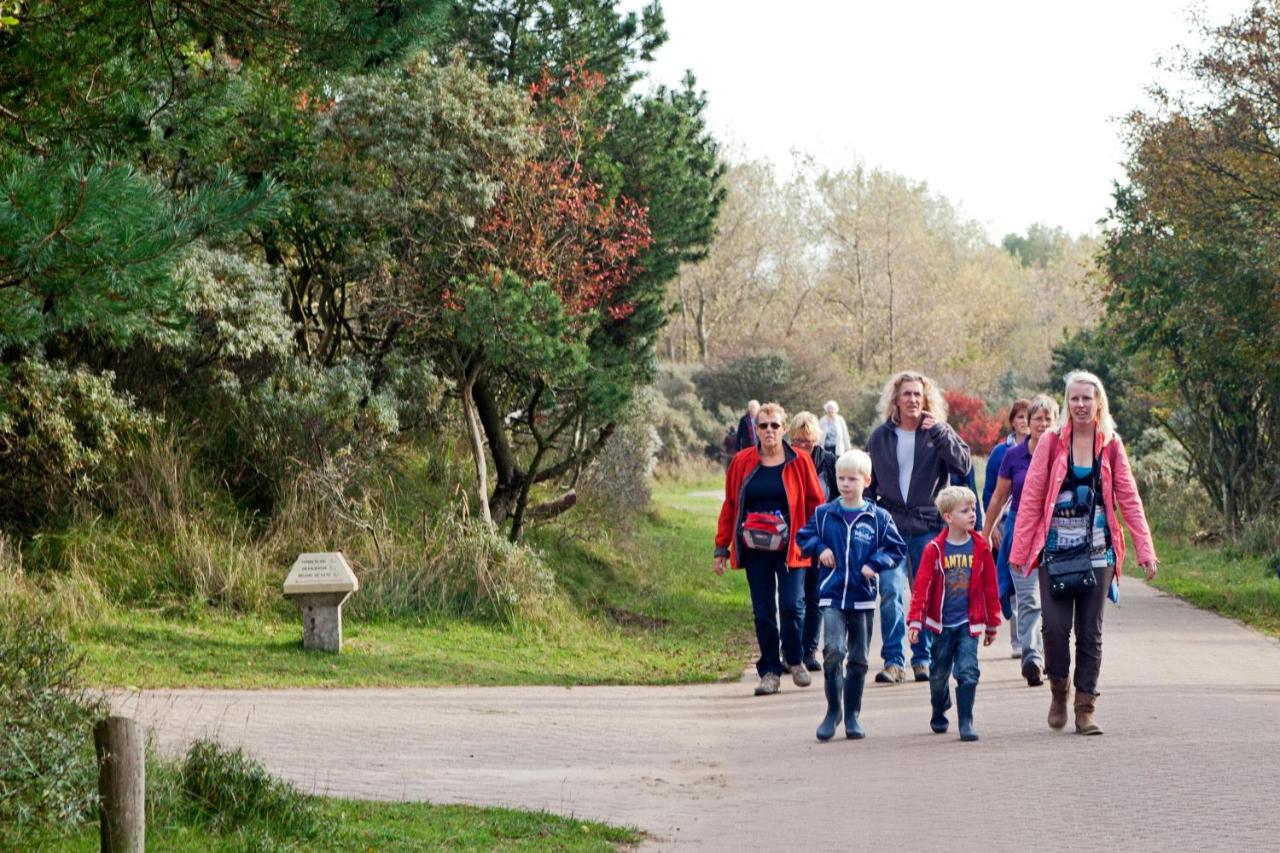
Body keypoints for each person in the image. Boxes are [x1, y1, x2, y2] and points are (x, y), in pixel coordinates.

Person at [1009, 371, 1158, 735]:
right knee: (1055, 629)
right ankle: (1059, 690)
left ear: (1098, 402)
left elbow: (1129, 499)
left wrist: (1145, 548)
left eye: (1086, 399)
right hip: (1056, 550)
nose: (1079, 405)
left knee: (1090, 633)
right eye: (1073, 398)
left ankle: (1085, 707)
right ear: (1067, 403)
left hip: (1097, 551)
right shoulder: (1050, 443)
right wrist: (1021, 550)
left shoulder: (1110, 445)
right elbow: (1030, 499)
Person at [866, 371, 971, 684]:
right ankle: (893, 661)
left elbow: (962, 465)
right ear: (895, 400)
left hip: (928, 526)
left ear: (926, 400)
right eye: (906, 394)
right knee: (889, 592)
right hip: (891, 527)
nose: (912, 400)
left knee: (925, 595)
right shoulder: (880, 436)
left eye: (917, 394)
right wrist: (871, 521)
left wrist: (939, 432)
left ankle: (922, 659)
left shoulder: (937, 432)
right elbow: (868, 483)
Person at [715, 402, 825, 696]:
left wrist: (820, 541)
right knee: (763, 611)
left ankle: (794, 657)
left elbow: (816, 505)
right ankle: (769, 672)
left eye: (774, 425)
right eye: (763, 426)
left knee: (792, 606)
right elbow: (730, 506)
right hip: (755, 549)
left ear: (784, 428)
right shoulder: (742, 462)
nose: (769, 431)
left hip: (792, 547)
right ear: (756, 429)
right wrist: (721, 548)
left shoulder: (800, 461)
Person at [798, 449, 906, 740]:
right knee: (833, 652)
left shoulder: (878, 518)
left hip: (862, 597)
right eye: (841, 478)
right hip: (832, 594)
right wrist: (820, 549)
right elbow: (804, 536)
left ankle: (852, 715)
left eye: (852, 479)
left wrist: (875, 564)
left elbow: (896, 548)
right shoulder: (823, 514)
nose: (845, 484)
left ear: (866, 481)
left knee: (858, 658)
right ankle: (833, 711)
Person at [906, 485, 1000, 742]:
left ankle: (966, 721)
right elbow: (921, 587)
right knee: (938, 675)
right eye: (965, 510)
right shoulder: (933, 549)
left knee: (968, 671)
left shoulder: (981, 547)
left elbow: (991, 587)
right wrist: (915, 620)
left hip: (969, 623)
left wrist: (992, 623)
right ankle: (940, 705)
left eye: (973, 509)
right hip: (941, 625)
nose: (972, 515)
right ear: (948, 517)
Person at [983, 395, 1057, 686]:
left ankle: (1052, 656)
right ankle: (1031, 656)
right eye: (1036, 418)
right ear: (1027, 422)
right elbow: (999, 497)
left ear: (1055, 422)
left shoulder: (1063, 453)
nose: (1041, 423)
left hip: (1055, 534)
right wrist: (987, 532)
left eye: (1047, 419)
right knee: (1028, 598)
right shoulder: (1012, 456)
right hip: (1021, 531)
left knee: (1054, 600)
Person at [789, 412, 839, 671]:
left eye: (807, 442)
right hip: (795, 538)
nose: (803, 447)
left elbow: (840, 497)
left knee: (815, 596)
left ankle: (809, 650)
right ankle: (792, 650)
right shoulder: (785, 463)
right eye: (798, 441)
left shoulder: (830, 462)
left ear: (816, 440)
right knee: (793, 599)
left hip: (824, 537)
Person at [984, 398, 1031, 661]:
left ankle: (1033, 640)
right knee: (1013, 581)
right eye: (1021, 417)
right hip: (1007, 522)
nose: (1025, 422)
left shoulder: (1045, 449)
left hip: (1035, 524)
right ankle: (1018, 640)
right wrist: (992, 530)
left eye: (1030, 416)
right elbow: (991, 493)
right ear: (1013, 421)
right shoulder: (1001, 453)